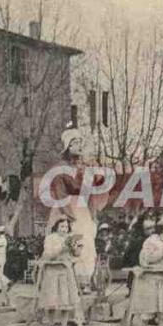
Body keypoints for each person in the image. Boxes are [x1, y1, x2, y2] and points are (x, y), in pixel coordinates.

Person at [46, 125, 100, 293]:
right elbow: (60, 193)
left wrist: (93, 215)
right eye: (74, 143)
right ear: (68, 147)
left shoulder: (85, 167)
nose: (78, 146)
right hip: (68, 208)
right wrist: (68, 215)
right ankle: (70, 282)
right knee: (70, 240)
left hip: (83, 209)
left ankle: (85, 281)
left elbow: (90, 192)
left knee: (87, 243)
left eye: (80, 142)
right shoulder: (61, 168)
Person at [127, 216, 163, 326]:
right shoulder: (151, 241)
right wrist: (162, 252)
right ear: (160, 231)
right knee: (149, 306)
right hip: (150, 278)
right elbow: (146, 259)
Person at [35, 218, 82, 326]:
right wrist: (61, 247)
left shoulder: (69, 238)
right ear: (56, 227)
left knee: (66, 298)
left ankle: (64, 324)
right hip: (52, 270)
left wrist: (76, 248)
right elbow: (48, 254)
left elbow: (76, 255)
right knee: (52, 297)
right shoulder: (50, 238)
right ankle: (50, 323)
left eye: (66, 227)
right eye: (62, 227)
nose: (64, 229)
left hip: (65, 270)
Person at [0, 225, 11, 291]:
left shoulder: (2, 239)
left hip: (1, 258)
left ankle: (7, 282)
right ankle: (0, 287)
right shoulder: (0, 239)